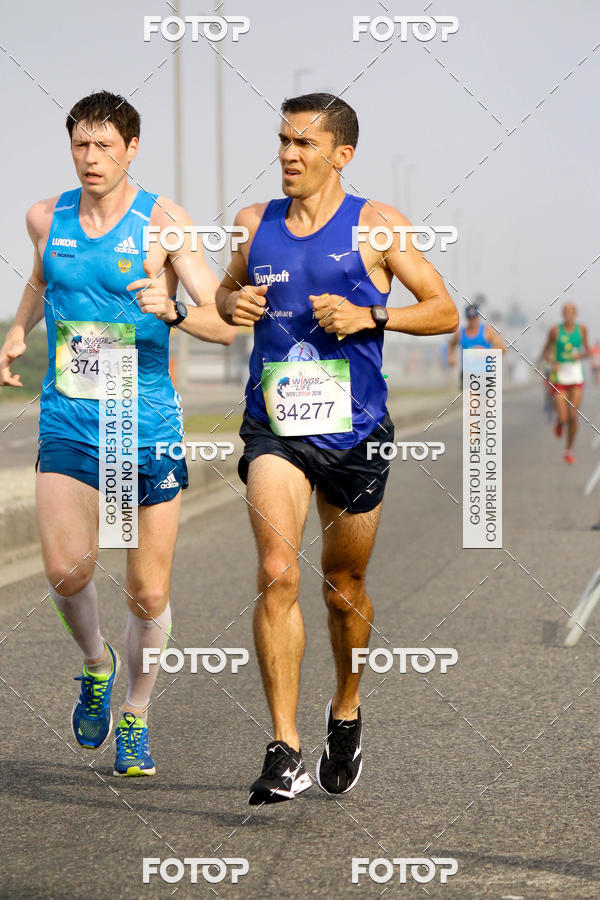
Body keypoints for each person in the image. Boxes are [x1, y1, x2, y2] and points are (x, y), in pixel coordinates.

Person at [216, 92, 458, 804]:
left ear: (340, 155)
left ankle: (345, 711)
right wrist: (235, 305)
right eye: (283, 141)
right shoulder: (253, 223)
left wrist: (371, 313)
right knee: (275, 570)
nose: (288, 155)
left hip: (356, 434)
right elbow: (227, 296)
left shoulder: (379, 227)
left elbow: (443, 309)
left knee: (342, 588)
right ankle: (284, 748)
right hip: (276, 429)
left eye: (304, 144)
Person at [0, 90, 235, 776]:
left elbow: (225, 324)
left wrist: (175, 308)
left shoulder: (165, 223)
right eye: (81, 144)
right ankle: (96, 666)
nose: (90, 157)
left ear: (133, 149)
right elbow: (45, 281)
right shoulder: (46, 216)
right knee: (66, 569)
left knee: (149, 593)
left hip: (147, 424)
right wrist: (18, 332)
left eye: (104, 145)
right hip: (69, 418)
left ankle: (135, 710)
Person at [542, 302, 589, 464]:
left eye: (571, 312)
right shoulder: (555, 331)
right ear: (562, 314)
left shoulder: (582, 329)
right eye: (565, 312)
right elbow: (545, 352)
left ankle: (568, 450)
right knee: (564, 417)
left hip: (576, 377)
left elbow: (587, 351)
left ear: (575, 314)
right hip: (560, 377)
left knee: (573, 416)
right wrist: (552, 360)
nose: (568, 314)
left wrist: (580, 356)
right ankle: (560, 422)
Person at [447, 304, 506, 384]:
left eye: (474, 318)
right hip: (467, 373)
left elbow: (503, 349)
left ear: (478, 317)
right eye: (470, 318)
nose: (472, 321)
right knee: (470, 395)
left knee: (484, 396)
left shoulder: (487, 331)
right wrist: (451, 357)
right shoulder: (461, 333)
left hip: (486, 373)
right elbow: (451, 344)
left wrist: (485, 352)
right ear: (466, 318)